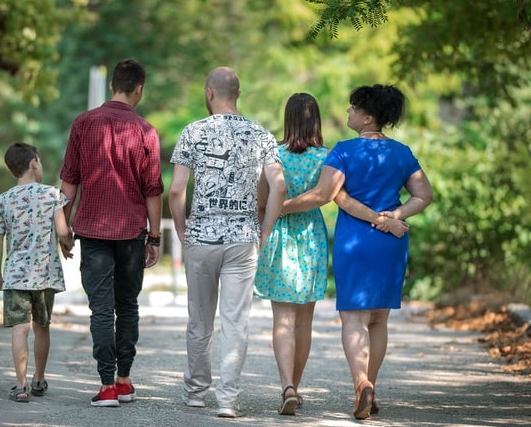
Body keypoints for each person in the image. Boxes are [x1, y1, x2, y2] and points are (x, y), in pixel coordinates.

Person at [281, 84, 433, 420]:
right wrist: (394, 216)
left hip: (355, 240)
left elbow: (328, 194)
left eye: (352, 108)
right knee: (379, 319)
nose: (348, 112)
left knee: (353, 318)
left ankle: (361, 383)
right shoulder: (402, 152)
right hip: (391, 241)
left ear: (367, 116)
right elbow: (423, 195)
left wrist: (279, 207)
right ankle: (370, 386)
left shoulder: (344, 151)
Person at [255, 93, 403, 416]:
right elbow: (332, 196)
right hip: (311, 238)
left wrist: (272, 214)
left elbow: (263, 202)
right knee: (304, 321)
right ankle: (300, 383)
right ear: (316, 121)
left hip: (280, 236)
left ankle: (287, 387)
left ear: (287, 119)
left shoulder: (274, 155)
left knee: (282, 318)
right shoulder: (327, 156)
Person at [168, 66, 287, 418]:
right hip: (242, 239)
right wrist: (263, 230)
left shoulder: (193, 131)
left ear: (209, 92)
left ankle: (194, 393)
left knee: (199, 320)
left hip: (201, 236)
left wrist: (181, 229)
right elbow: (278, 186)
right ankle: (228, 400)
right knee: (236, 321)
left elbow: (175, 190)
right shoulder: (261, 134)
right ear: (238, 93)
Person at [59, 58, 164, 407]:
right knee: (127, 306)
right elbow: (152, 190)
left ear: (111, 86)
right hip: (131, 233)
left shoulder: (83, 124)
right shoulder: (146, 131)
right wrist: (154, 237)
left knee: (101, 309)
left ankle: (105, 386)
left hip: (92, 230)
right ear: (140, 89)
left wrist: (62, 225)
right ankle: (124, 381)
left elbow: (69, 181)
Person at [0, 142, 74, 403]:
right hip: (45, 274)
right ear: (34, 162)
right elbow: (61, 231)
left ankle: (20, 384)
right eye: (41, 162)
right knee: (42, 327)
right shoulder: (52, 194)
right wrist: (67, 244)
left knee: (19, 329)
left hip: (15, 275)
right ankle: (39, 378)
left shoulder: (3, 199)